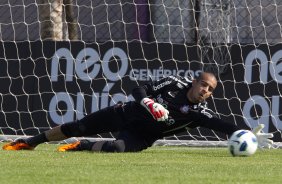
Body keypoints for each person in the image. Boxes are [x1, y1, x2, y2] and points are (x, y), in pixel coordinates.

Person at [2, 72, 273, 152]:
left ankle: (81, 147)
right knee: (78, 125)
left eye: (210, 89)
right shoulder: (172, 82)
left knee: (118, 148)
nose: (205, 90)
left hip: (142, 137)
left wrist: (246, 134)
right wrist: (148, 103)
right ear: (194, 81)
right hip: (127, 112)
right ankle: (30, 142)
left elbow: (221, 125)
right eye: (203, 84)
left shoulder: (197, 113)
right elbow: (137, 89)